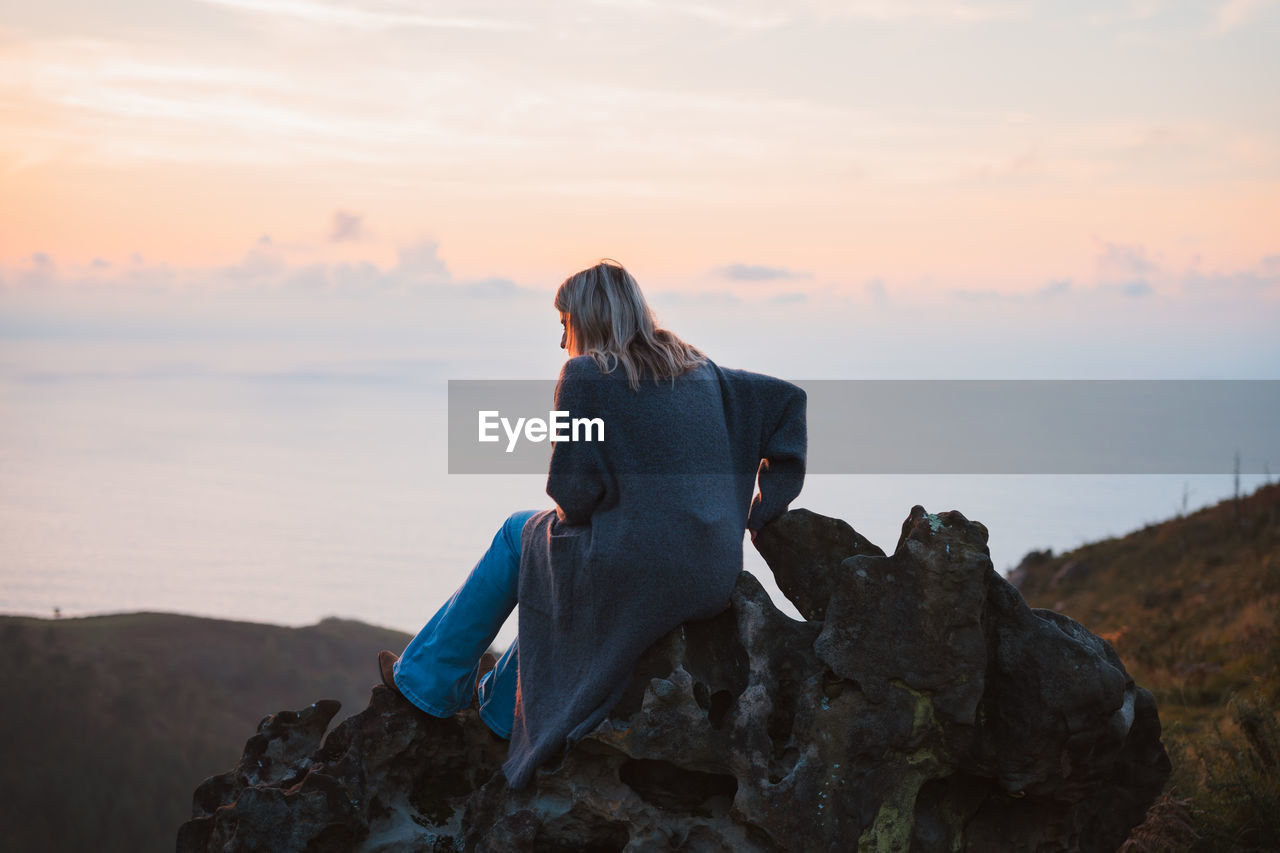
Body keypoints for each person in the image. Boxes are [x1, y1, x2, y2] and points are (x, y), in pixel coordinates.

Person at [379, 259, 806, 790]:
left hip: (639, 566)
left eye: (564, 326)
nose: (562, 343)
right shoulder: (704, 371)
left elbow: (571, 497)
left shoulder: (585, 376)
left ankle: (426, 683)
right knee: (554, 560)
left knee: (522, 534)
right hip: (712, 575)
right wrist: (765, 510)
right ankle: (496, 711)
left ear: (587, 319)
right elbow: (790, 402)